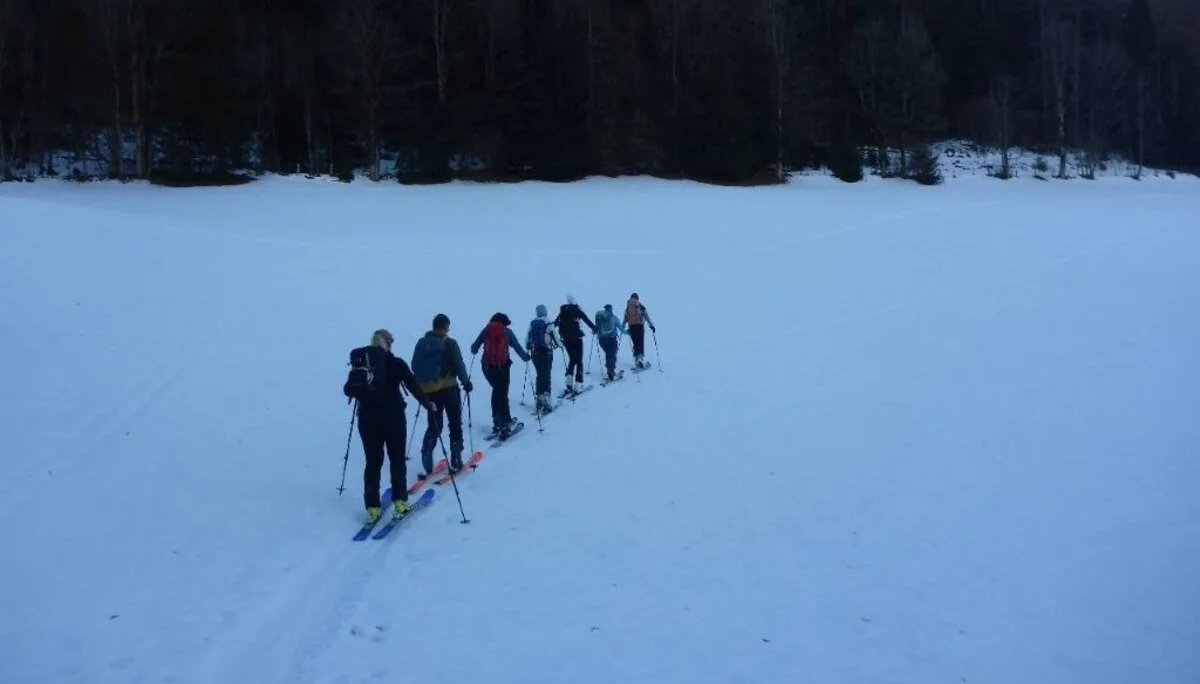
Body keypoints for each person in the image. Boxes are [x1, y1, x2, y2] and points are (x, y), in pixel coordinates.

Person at [343, 329, 437, 523]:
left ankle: (372, 508)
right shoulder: (396, 363)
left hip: (367, 419)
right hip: (393, 417)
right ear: (388, 344)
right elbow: (413, 386)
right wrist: (429, 404)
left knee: (373, 462)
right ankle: (400, 503)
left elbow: (350, 389)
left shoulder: (361, 365)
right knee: (396, 460)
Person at [411, 313, 473, 477]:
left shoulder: (421, 343)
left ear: (433, 326)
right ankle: (456, 456)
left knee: (434, 423)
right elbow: (459, 363)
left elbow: (414, 365)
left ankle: (427, 449)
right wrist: (465, 381)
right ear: (445, 327)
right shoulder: (450, 343)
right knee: (454, 422)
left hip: (429, 391)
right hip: (450, 388)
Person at [470, 312, 531, 439]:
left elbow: (473, 348)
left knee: (497, 391)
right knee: (502, 393)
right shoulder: (507, 332)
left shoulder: (486, 330)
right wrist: (526, 358)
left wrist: (476, 349)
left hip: (487, 367)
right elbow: (518, 347)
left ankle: (498, 421)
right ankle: (504, 424)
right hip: (502, 368)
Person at [553, 294, 595, 395]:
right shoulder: (576, 309)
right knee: (579, 361)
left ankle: (569, 381)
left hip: (566, 339)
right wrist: (594, 328)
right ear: (574, 301)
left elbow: (555, 323)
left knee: (572, 359)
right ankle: (578, 384)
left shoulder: (563, 311)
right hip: (577, 338)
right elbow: (586, 319)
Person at [525, 304, 562, 413]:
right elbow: (556, 339)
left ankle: (539, 399)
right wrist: (561, 345)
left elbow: (526, 342)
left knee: (539, 375)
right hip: (547, 353)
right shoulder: (548, 323)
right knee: (546, 376)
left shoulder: (532, 325)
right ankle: (547, 401)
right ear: (545, 312)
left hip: (535, 354)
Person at [593, 303, 627, 381]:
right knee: (611, 355)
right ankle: (610, 373)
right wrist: (627, 332)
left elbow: (596, 328)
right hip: (611, 339)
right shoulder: (614, 317)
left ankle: (611, 370)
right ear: (611, 309)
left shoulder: (600, 318)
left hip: (601, 340)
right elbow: (621, 329)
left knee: (609, 355)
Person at [623, 292, 656, 370]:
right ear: (637, 298)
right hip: (639, 326)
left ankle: (636, 360)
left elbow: (625, 319)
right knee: (640, 342)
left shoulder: (627, 307)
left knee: (635, 343)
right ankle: (639, 360)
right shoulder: (640, 306)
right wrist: (651, 325)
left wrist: (622, 327)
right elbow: (646, 316)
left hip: (631, 327)